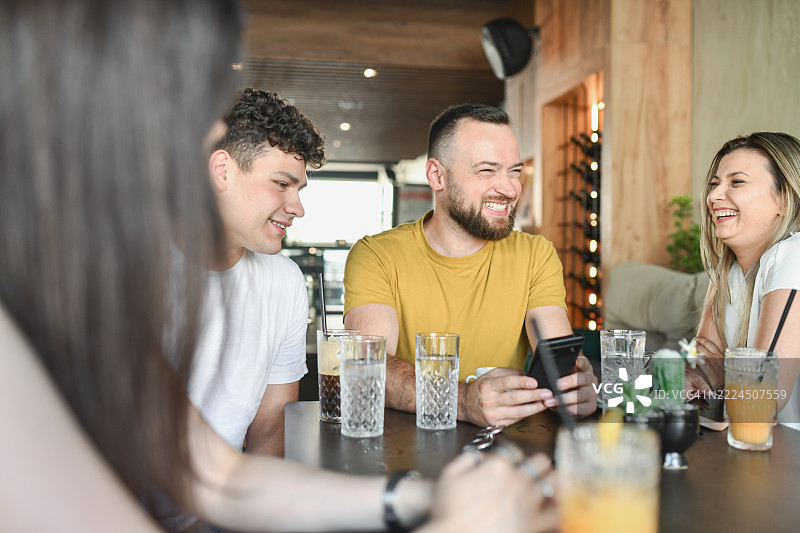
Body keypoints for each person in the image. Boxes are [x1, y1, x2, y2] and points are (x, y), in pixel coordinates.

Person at [0, 2, 558, 532]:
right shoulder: (84, 290)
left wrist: (423, 497)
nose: (297, 206)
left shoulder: (263, 280)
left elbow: (217, 475)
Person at [343, 103, 597, 429]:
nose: (509, 188)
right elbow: (368, 368)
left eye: (515, 171)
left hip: (504, 451)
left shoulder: (536, 254)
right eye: (488, 170)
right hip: (403, 448)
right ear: (437, 175)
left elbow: (559, 360)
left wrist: (577, 389)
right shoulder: (376, 255)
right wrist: (461, 399)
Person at [189, 88, 324, 457]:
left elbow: (268, 436)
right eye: (281, 184)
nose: (297, 208)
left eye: (298, 189)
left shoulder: (284, 282)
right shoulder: (131, 271)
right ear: (222, 171)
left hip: (228, 507)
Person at [689, 132, 800, 429]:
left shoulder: (795, 255)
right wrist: (693, 379)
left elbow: (762, 396)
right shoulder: (728, 271)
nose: (713, 196)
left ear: (783, 197)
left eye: (736, 182)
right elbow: (704, 362)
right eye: (715, 184)